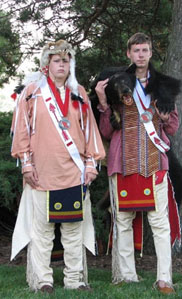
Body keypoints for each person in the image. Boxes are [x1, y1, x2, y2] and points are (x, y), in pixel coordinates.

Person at [10, 39, 105, 293]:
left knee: (73, 231)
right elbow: (21, 130)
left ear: (70, 64)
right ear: (47, 64)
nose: (61, 64)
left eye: (65, 60)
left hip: (74, 173)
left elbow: (90, 131)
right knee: (42, 232)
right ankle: (43, 280)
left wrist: (91, 163)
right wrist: (26, 165)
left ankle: (75, 280)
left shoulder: (79, 92)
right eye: (56, 60)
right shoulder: (32, 92)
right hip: (41, 174)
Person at [95, 32, 181, 294]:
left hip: (155, 161)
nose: (141, 55)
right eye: (136, 51)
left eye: (145, 50)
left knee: (160, 223)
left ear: (151, 53)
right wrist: (102, 103)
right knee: (122, 220)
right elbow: (107, 133)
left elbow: (174, 127)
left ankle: (164, 279)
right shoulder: (116, 84)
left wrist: (164, 118)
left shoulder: (162, 86)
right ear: (128, 54)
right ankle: (126, 275)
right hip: (122, 161)